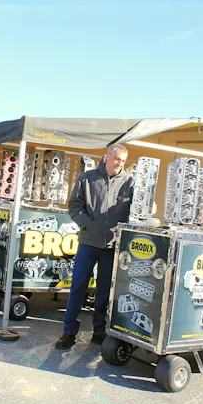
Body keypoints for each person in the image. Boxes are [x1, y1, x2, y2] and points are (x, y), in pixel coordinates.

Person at [55, 144, 134, 349]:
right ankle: (69, 332)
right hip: (89, 243)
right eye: (117, 159)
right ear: (107, 157)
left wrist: (149, 206)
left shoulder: (129, 182)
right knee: (78, 286)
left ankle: (99, 330)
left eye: (123, 161)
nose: (119, 163)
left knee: (104, 290)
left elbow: (137, 210)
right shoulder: (87, 179)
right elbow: (74, 206)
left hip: (112, 246)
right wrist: (88, 225)